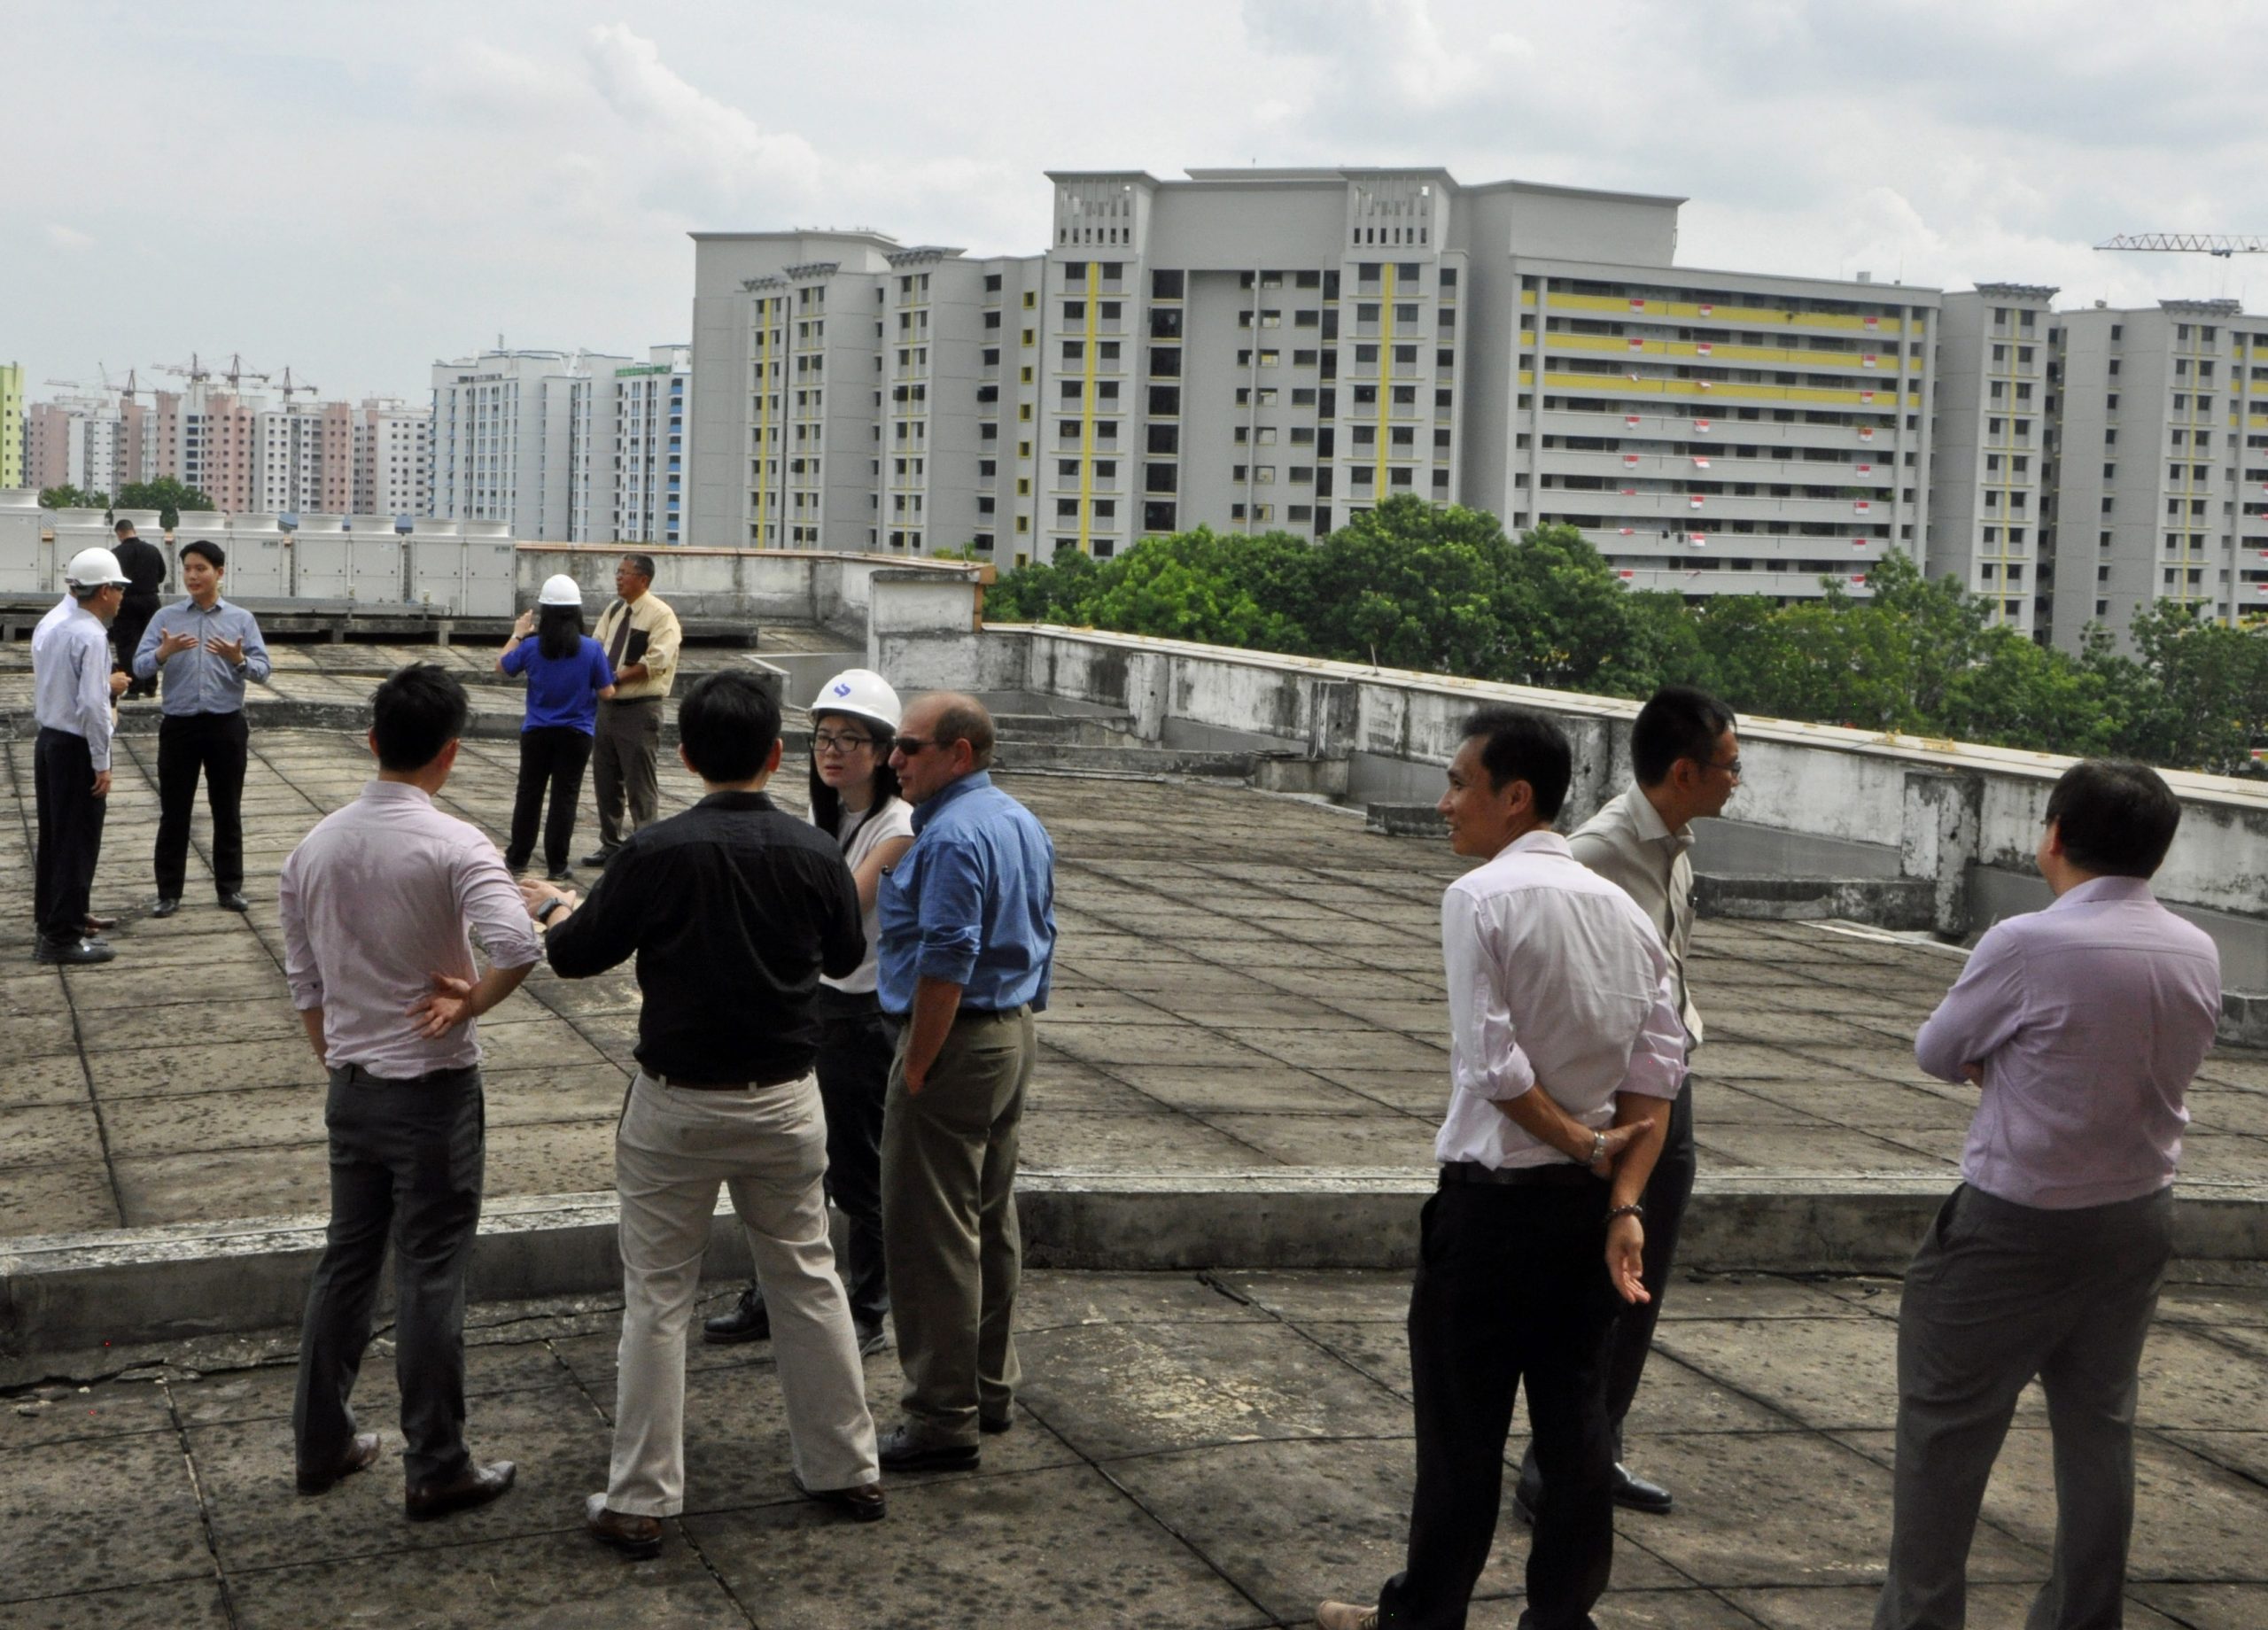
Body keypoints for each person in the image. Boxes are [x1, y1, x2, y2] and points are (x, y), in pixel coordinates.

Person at [1318, 707, 1687, 1630]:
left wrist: (1584, 1146)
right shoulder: (1625, 914)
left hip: (1490, 1215)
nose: (1445, 804)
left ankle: (1422, 1617)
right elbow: (1656, 1078)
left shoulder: (1480, 897)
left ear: (1514, 797)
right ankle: (1559, 1620)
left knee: (1460, 1441)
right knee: (1574, 1439)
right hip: (1581, 1221)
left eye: (1458, 785)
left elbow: (1494, 1069)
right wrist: (1620, 1197)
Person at [526, 669, 883, 1556]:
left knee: (657, 1295)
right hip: (787, 1100)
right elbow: (843, 950)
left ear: (684, 754)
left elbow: (572, 957)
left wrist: (559, 907)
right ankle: (847, 1466)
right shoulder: (816, 854)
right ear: (776, 754)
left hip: (677, 1103)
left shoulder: (655, 852)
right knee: (807, 1278)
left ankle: (643, 1495)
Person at [1874, 760, 2219, 1630]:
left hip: (2012, 1222)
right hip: (2135, 1211)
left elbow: (1935, 1048)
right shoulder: (2194, 947)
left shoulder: (2027, 941)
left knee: (1944, 1441)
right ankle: (2081, 1617)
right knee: (2099, 1429)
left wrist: (2003, 1062)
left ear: (2055, 834)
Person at [280, 663, 540, 1521]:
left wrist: (341, 1059)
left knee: (346, 1264)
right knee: (430, 1272)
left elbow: (306, 983)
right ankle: (437, 1462)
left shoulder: (312, 848)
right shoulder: (456, 844)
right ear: (451, 754)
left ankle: (321, 1443)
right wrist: (473, 997)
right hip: (431, 1091)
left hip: (352, 1089)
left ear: (372, 740)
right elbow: (516, 944)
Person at [1514, 685, 1738, 1524]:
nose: (1735, 780)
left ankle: (1594, 1452)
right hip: (1622, 1099)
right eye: (1729, 765)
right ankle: (1559, 1466)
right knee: (1606, 1291)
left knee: (1640, 1291)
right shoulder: (1599, 853)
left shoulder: (1672, 844)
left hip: (1668, 1079)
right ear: (1683, 771)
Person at [707, 668, 916, 1354]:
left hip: (861, 1015)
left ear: (885, 750)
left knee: (859, 1170)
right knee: (792, 1168)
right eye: (823, 737)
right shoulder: (827, 817)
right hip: (817, 1004)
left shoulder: (898, 826)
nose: (832, 751)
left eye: (851, 739)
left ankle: (868, 1308)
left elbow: (837, 909)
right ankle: (775, 1295)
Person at [873, 692, 1056, 1471]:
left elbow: (947, 958)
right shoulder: (1017, 818)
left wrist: (918, 1061)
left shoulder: (951, 835)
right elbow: (1043, 928)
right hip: (1010, 1033)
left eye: (910, 748)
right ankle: (987, 1388)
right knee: (987, 1219)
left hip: (957, 1040)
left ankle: (942, 1418)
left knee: (931, 1234)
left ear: (960, 754)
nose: (894, 760)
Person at [133, 539, 272, 917]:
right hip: (179, 726)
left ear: (219, 573)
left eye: (201, 569)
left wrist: (239, 659)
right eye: (187, 569)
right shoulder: (167, 618)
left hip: (226, 724)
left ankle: (230, 889)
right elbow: (140, 665)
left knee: (227, 809)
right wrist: (164, 653)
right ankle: (168, 893)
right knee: (174, 811)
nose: (192, 576)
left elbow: (263, 670)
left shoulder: (241, 619)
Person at [32, 548, 134, 965]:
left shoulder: (54, 622)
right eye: (119, 589)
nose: (122, 597)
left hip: (50, 741)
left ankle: (58, 915)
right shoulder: (90, 635)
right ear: (105, 591)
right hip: (75, 748)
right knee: (77, 842)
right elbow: (93, 707)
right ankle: (62, 937)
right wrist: (102, 762)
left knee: (55, 839)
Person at [498, 574, 615, 882]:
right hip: (577, 734)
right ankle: (557, 864)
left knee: (529, 795)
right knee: (565, 798)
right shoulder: (592, 650)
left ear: (545, 613)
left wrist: (518, 634)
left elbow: (502, 666)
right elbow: (607, 693)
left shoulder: (532, 647)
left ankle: (518, 857)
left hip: (537, 731)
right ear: (577, 612)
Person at [581, 554, 680, 869]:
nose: (618, 578)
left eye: (625, 573)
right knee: (606, 780)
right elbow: (597, 646)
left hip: (639, 709)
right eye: (617, 572)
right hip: (607, 706)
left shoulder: (661, 616)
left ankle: (646, 847)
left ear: (643, 580)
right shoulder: (614, 610)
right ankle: (610, 844)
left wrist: (614, 677)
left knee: (640, 782)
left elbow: (656, 661)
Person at [109, 516, 167, 701]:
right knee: (150, 642)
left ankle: (133, 687)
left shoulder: (116, 554)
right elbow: (161, 575)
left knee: (127, 645)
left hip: (126, 601)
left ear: (119, 533)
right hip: (151, 600)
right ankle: (151, 686)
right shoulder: (152, 550)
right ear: (134, 530)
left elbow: (112, 580)